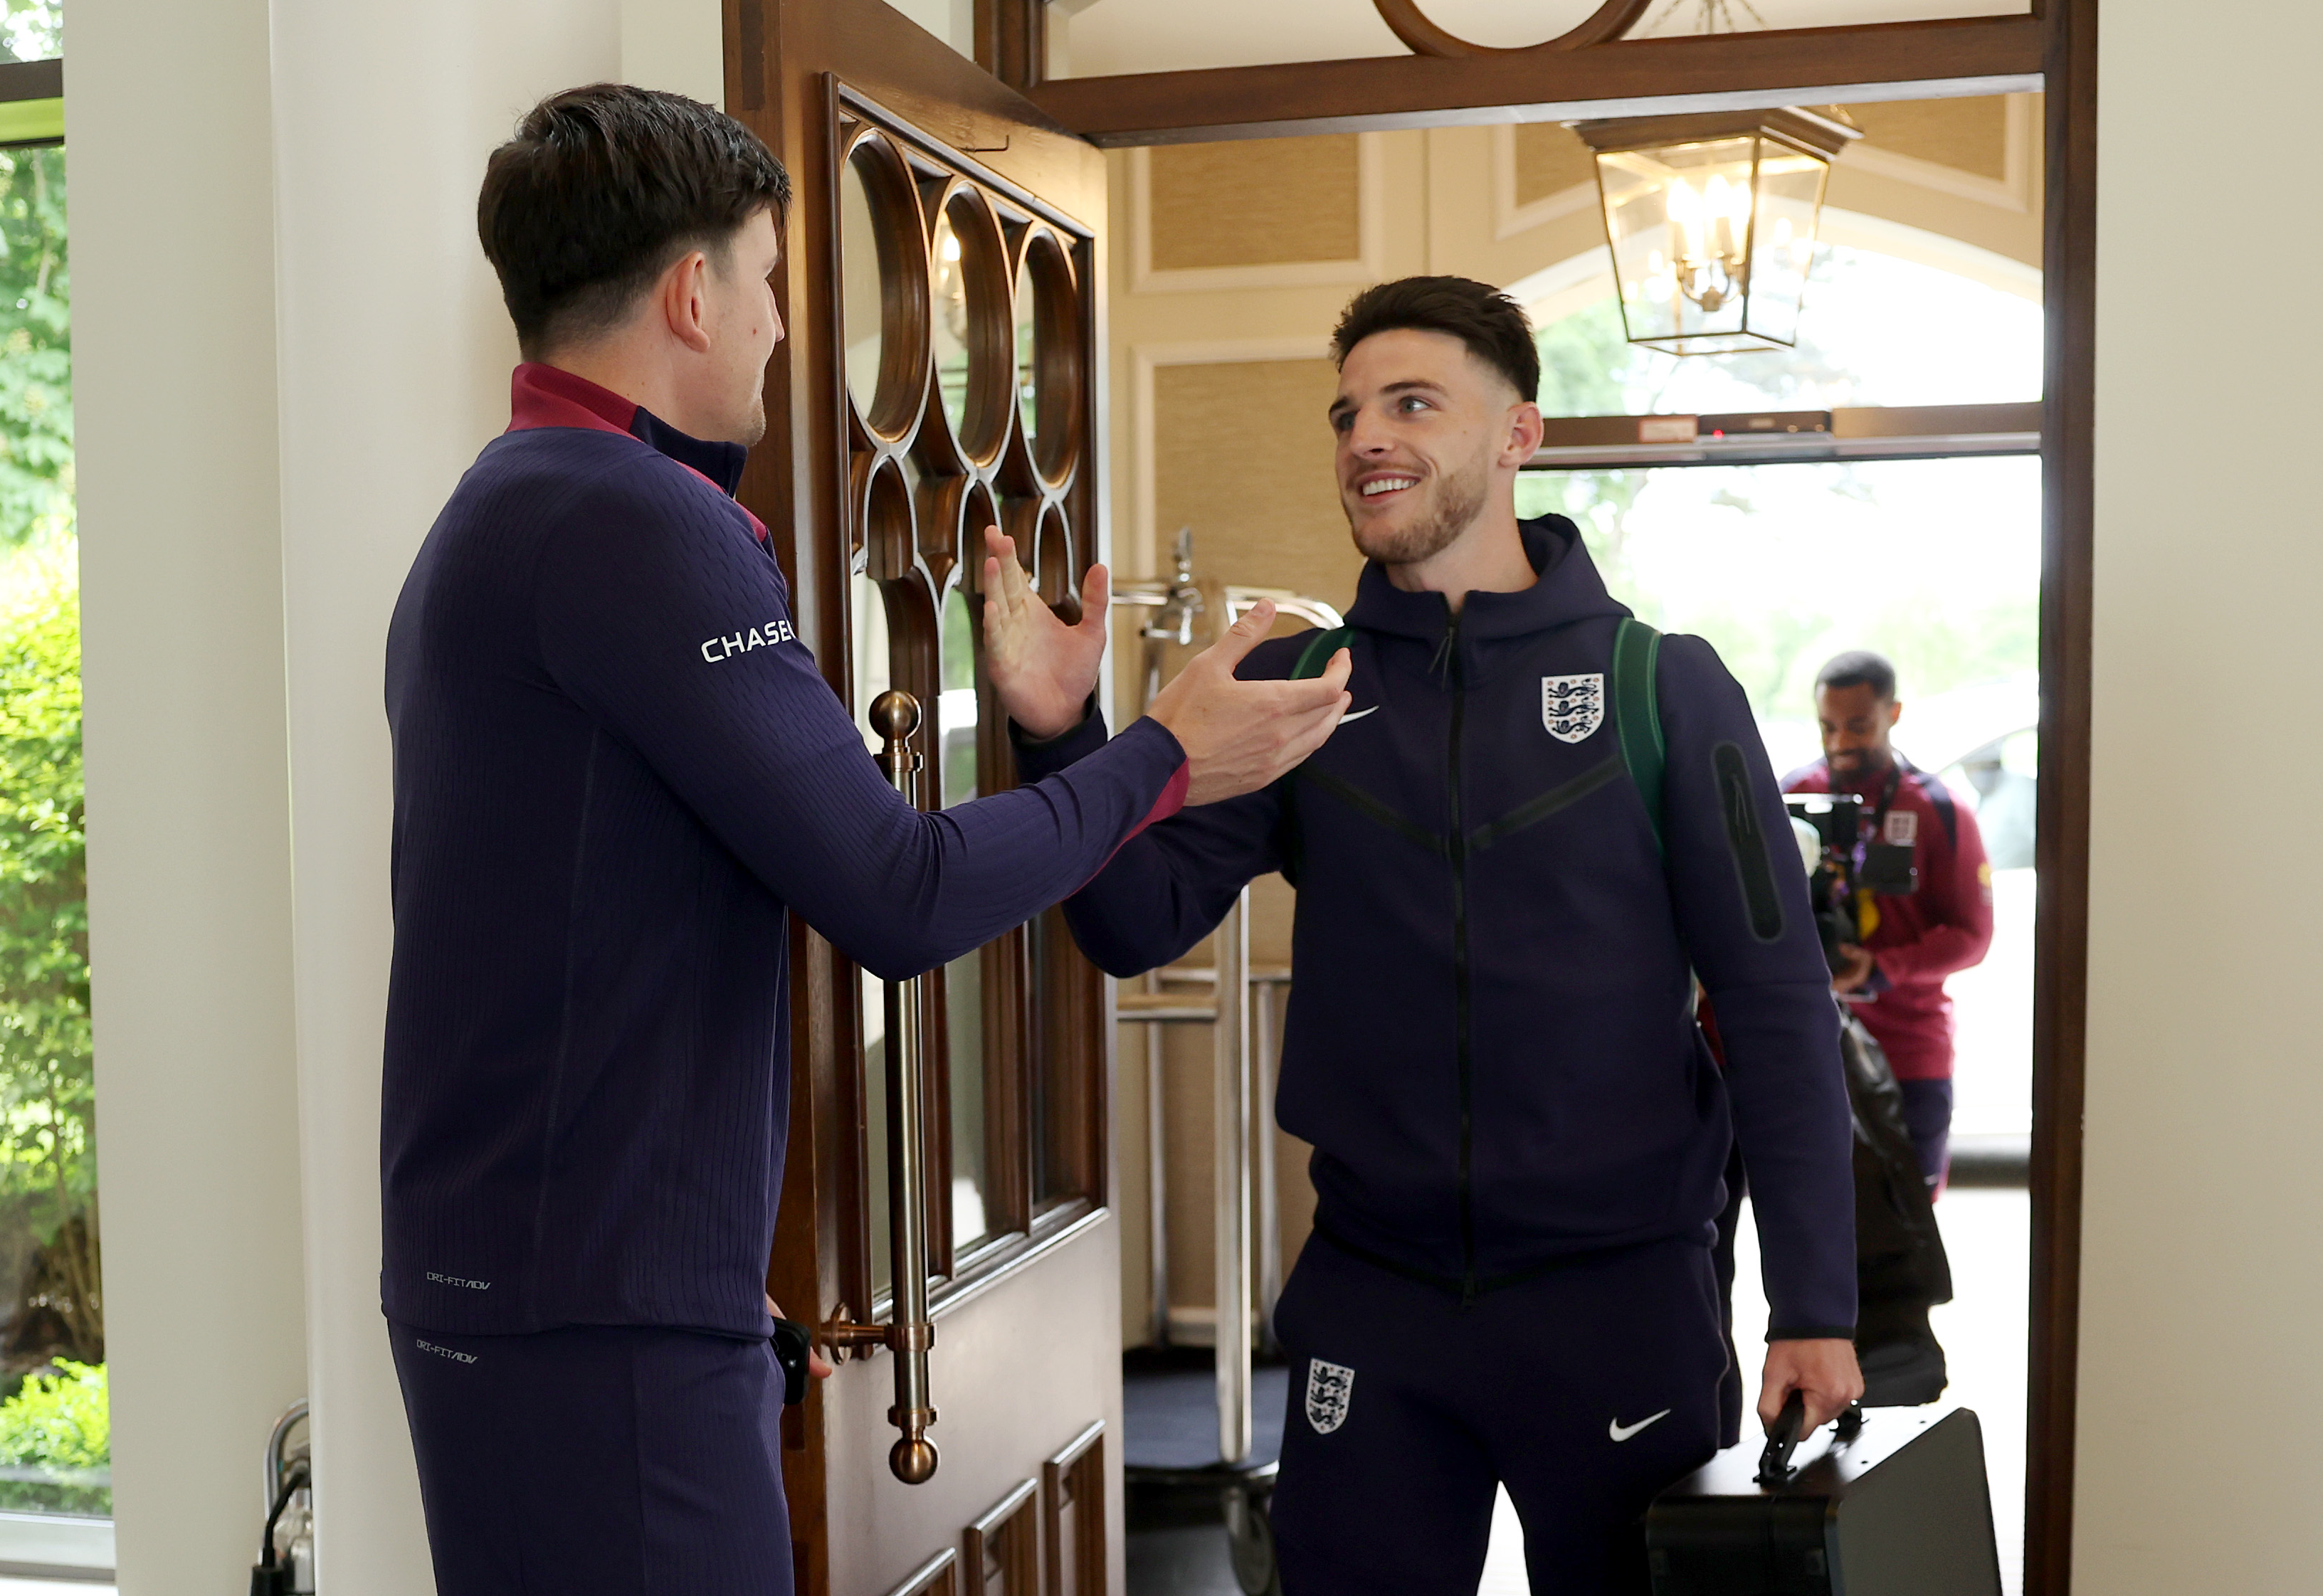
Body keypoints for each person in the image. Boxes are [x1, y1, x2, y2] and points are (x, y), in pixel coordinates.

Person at [378, 85, 1351, 1596]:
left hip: (529, 1298)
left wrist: (1068, 731)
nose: (779, 328)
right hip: (603, 1324)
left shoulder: (499, 511)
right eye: (769, 284)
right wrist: (1169, 753)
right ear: (693, 294)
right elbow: (898, 891)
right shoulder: (635, 524)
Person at [984, 275, 1860, 1596]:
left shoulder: (1662, 686)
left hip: (1618, 1299)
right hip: (1374, 1302)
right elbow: (1130, 920)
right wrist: (1063, 734)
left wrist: (1816, 1305)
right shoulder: (1298, 689)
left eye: (1411, 403)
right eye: (1346, 414)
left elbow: (1778, 1002)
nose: (1364, 438)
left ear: (1518, 433)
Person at [1782, 650, 1994, 1192]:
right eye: (1827, 726)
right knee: (1814, 1223)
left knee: (1908, 1227)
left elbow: (1972, 936)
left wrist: (1881, 966)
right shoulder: (1788, 800)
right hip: (1805, 1050)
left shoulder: (1937, 809)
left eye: (1858, 725)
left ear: (1892, 712)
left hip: (1908, 1053)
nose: (1840, 742)